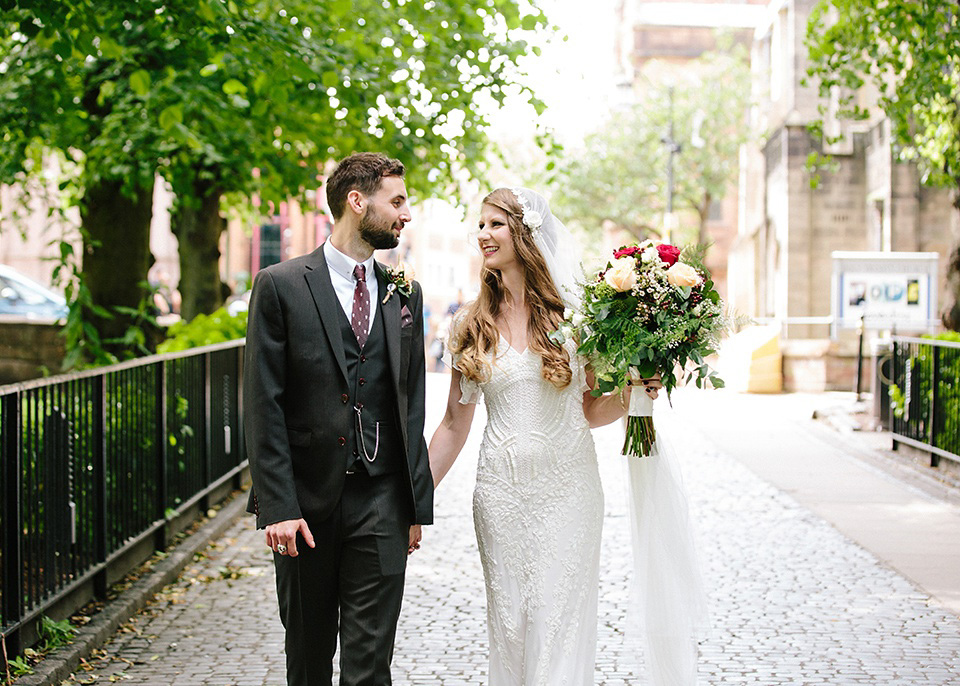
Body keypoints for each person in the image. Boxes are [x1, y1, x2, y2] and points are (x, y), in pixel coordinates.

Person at [428, 188, 664, 684]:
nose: (483, 234)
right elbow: (453, 424)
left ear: (525, 232)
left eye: (495, 224)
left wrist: (635, 394)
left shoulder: (577, 319)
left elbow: (591, 409)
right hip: (501, 497)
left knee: (559, 627)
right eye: (481, 225)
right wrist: (411, 497)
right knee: (512, 628)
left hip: (569, 494)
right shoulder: (470, 325)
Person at [243, 152, 433, 685]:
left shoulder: (405, 294)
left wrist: (413, 504)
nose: (405, 214)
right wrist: (277, 505)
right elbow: (264, 402)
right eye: (396, 201)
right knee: (307, 658)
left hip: (381, 501)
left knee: (370, 664)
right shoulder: (280, 285)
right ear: (357, 201)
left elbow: (409, 402)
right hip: (304, 506)